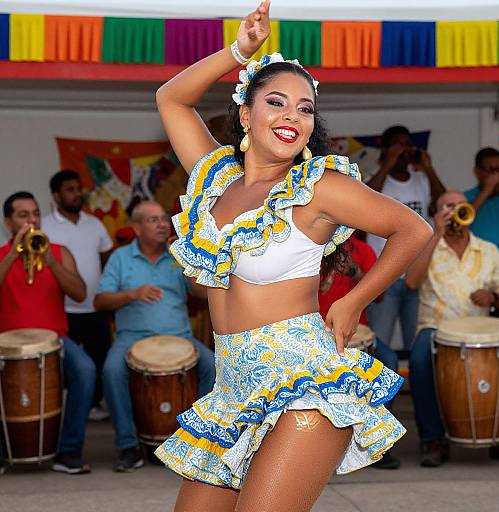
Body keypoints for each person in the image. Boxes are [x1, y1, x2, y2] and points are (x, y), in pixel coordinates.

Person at [152, 2, 432, 510]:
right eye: (277, 102)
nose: (292, 117)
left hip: (305, 382)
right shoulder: (213, 178)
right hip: (233, 388)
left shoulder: (316, 188)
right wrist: (239, 52)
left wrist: (353, 302)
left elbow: (413, 229)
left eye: (305, 109)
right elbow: (171, 98)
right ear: (245, 113)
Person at [93, 200, 215, 473]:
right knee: (112, 371)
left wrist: (189, 255)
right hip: (131, 339)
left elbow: (202, 294)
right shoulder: (120, 258)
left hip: (179, 337)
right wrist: (132, 294)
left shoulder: (177, 254)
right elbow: (99, 301)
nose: (162, 224)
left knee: (214, 366)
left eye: (163, 218)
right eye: (153, 220)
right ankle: (127, 446)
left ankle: (197, 442)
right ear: (136, 227)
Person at [405, 191, 499, 467]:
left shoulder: (487, 249)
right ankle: (432, 439)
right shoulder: (427, 245)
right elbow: (412, 283)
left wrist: (495, 298)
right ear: (437, 213)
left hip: (479, 329)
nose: (455, 211)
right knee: (419, 360)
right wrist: (435, 235)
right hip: (435, 328)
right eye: (447, 206)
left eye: (460, 205)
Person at [0, 192, 95, 475]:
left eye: (35, 214)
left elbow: (80, 294)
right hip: (5, 343)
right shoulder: (2, 255)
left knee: (86, 370)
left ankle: (68, 451)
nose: (32, 221)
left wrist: (51, 262)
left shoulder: (59, 251)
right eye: (23, 215)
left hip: (55, 340)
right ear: (8, 222)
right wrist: (14, 252)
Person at [318, 235, 400, 469]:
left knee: (390, 361)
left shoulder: (363, 250)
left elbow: (381, 296)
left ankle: (377, 444)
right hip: (317, 330)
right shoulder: (309, 246)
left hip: (358, 332)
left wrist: (354, 271)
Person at [366, 125, 446, 352]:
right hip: (385, 275)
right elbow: (367, 202)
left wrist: (429, 170)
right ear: (386, 148)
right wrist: (388, 163)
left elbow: (444, 203)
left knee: (418, 344)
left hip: (416, 274)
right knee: (379, 343)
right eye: (398, 144)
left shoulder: (421, 180)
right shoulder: (376, 179)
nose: (404, 150)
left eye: (407, 144)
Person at [43, 170, 113, 421]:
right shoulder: (44, 227)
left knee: (99, 359)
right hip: (62, 310)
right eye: (69, 189)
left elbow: (107, 260)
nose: (76, 194)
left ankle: (93, 406)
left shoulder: (94, 224)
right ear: (56, 195)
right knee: (66, 366)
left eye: (77, 188)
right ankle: (63, 408)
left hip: (95, 307)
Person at [465, 147, 499, 320]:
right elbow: (463, 223)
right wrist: (486, 191)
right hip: (478, 280)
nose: (496, 175)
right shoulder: (466, 198)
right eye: (490, 170)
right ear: (477, 172)